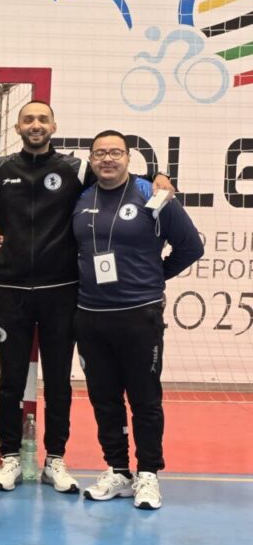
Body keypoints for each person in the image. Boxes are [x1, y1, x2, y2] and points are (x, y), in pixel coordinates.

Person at [0, 101, 172, 495]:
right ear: (19, 127)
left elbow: (120, 176)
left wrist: (160, 176)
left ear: (54, 125)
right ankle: (10, 456)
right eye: (28, 119)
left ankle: (55, 458)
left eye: (43, 119)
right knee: (10, 381)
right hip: (11, 291)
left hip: (61, 292)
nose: (35, 124)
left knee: (58, 380)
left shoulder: (75, 168)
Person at [73, 131, 202, 510]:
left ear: (129, 158)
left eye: (115, 152)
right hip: (90, 316)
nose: (107, 159)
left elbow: (191, 246)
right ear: (91, 160)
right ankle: (118, 470)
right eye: (100, 153)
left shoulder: (152, 195)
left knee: (144, 399)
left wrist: (155, 277)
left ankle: (148, 473)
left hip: (138, 316)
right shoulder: (80, 198)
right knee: (104, 400)